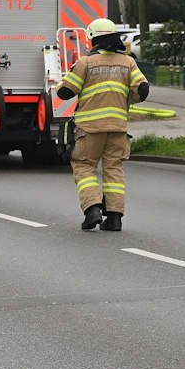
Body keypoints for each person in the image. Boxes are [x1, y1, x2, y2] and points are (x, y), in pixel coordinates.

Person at [57, 18, 148, 232]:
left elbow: (64, 92)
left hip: (89, 129)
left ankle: (92, 210)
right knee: (114, 169)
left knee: (84, 166)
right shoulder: (128, 62)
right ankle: (114, 218)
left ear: (93, 40)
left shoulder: (86, 63)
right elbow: (142, 89)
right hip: (118, 128)